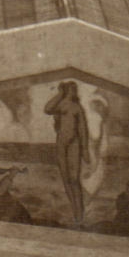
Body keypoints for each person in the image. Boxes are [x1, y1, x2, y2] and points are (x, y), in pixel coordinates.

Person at [44, 80, 90, 225]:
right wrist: (59, 94)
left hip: (74, 143)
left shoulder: (77, 108)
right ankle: (75, 210)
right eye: (71, 89)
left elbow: (83, 129)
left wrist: (85, 149)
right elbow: (47, 109)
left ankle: (80, 212)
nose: (73, 91)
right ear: (65, 90)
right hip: (61, 144)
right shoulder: (60, 105)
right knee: (66, 179)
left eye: (74, 89)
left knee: (74, 179)